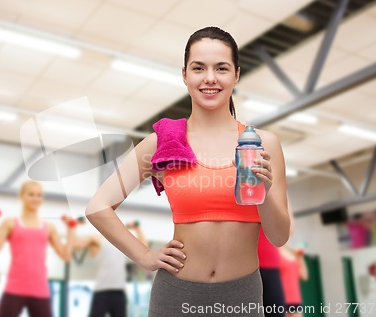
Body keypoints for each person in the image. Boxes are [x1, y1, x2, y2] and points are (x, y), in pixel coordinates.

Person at [86, 26, 290, 317]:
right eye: (198, 68)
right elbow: (98, 206)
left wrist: (265, 194)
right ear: (185, 75)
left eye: (221, 68)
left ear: (236, 75)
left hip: (241, 296)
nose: (210, 78)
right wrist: (144, 255)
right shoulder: (163, 142)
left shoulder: (263, 144)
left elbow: (280, 236)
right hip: (176, 295)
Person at [0, 180, 75, 317]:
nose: (36, 198)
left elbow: (66, 255)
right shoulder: (10, 223)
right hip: (14, 288)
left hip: (40, 289)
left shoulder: (49, 227)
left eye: (39, 195)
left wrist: (70, 231)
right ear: (21, 196)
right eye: (31, 194)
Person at [74, 220, 147, 317]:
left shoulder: (121, 242)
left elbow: (143, 248)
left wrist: (138, 229)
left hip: (119, 294)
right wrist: (74, 226)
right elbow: (75, 245)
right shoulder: (96, 239)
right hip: (102, 292)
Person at [279, 246, 308, 317]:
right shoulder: (274, 252)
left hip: (294, 299)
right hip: (280, 298)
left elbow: (304, 276)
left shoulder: (292, 253)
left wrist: (300, 257)